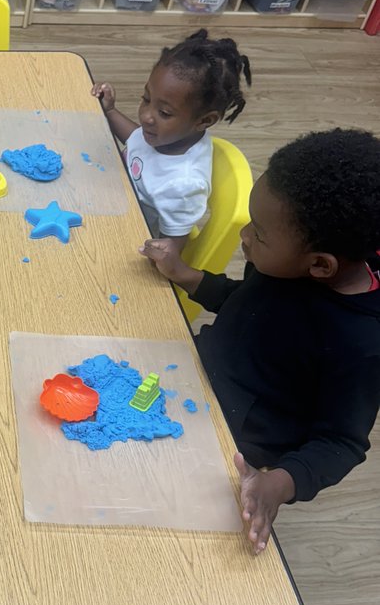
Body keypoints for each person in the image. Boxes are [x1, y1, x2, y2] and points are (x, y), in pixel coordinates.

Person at [140, 128, 380, 554]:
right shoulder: (284, 264)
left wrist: (276, 484)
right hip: (195, 371)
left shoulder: (361, 344)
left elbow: (339, 443)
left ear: (320, 266)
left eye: (260, 234)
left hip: (236, 436)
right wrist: (189, 277)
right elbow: (247, 304)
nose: (244, 236)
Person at [92, 29, 252, 254]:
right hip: (112, 195)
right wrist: (110, 111)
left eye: (164, 112)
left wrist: (153, 253)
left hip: (126, 235)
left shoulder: (183, 186)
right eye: (146, 99)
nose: (146, 115)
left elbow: (168, 252)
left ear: (205, 120)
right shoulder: (165, 137)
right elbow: (136, 140)